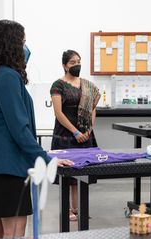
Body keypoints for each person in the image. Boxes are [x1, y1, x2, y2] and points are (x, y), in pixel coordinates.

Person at [0, 20, 73, 239]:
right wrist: (46, 159)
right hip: (9, 169)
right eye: (22, 42)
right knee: (15, 235)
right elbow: (19, 129)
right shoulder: (8, 77)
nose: (25, 47)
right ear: (10, 44)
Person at [50, 50, 101, 221]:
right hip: (66, 134)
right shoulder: (58, 86)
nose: (76, 65)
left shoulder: (87, 85)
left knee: (83, 172)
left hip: (85, 134)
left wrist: (88, 129)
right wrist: (75, 131)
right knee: (67, 175)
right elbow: (58, 113)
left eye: (78, 61)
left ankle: (78, 209)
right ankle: (67, 210)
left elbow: (92, 108)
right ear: (65, 65)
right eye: (72, 62)